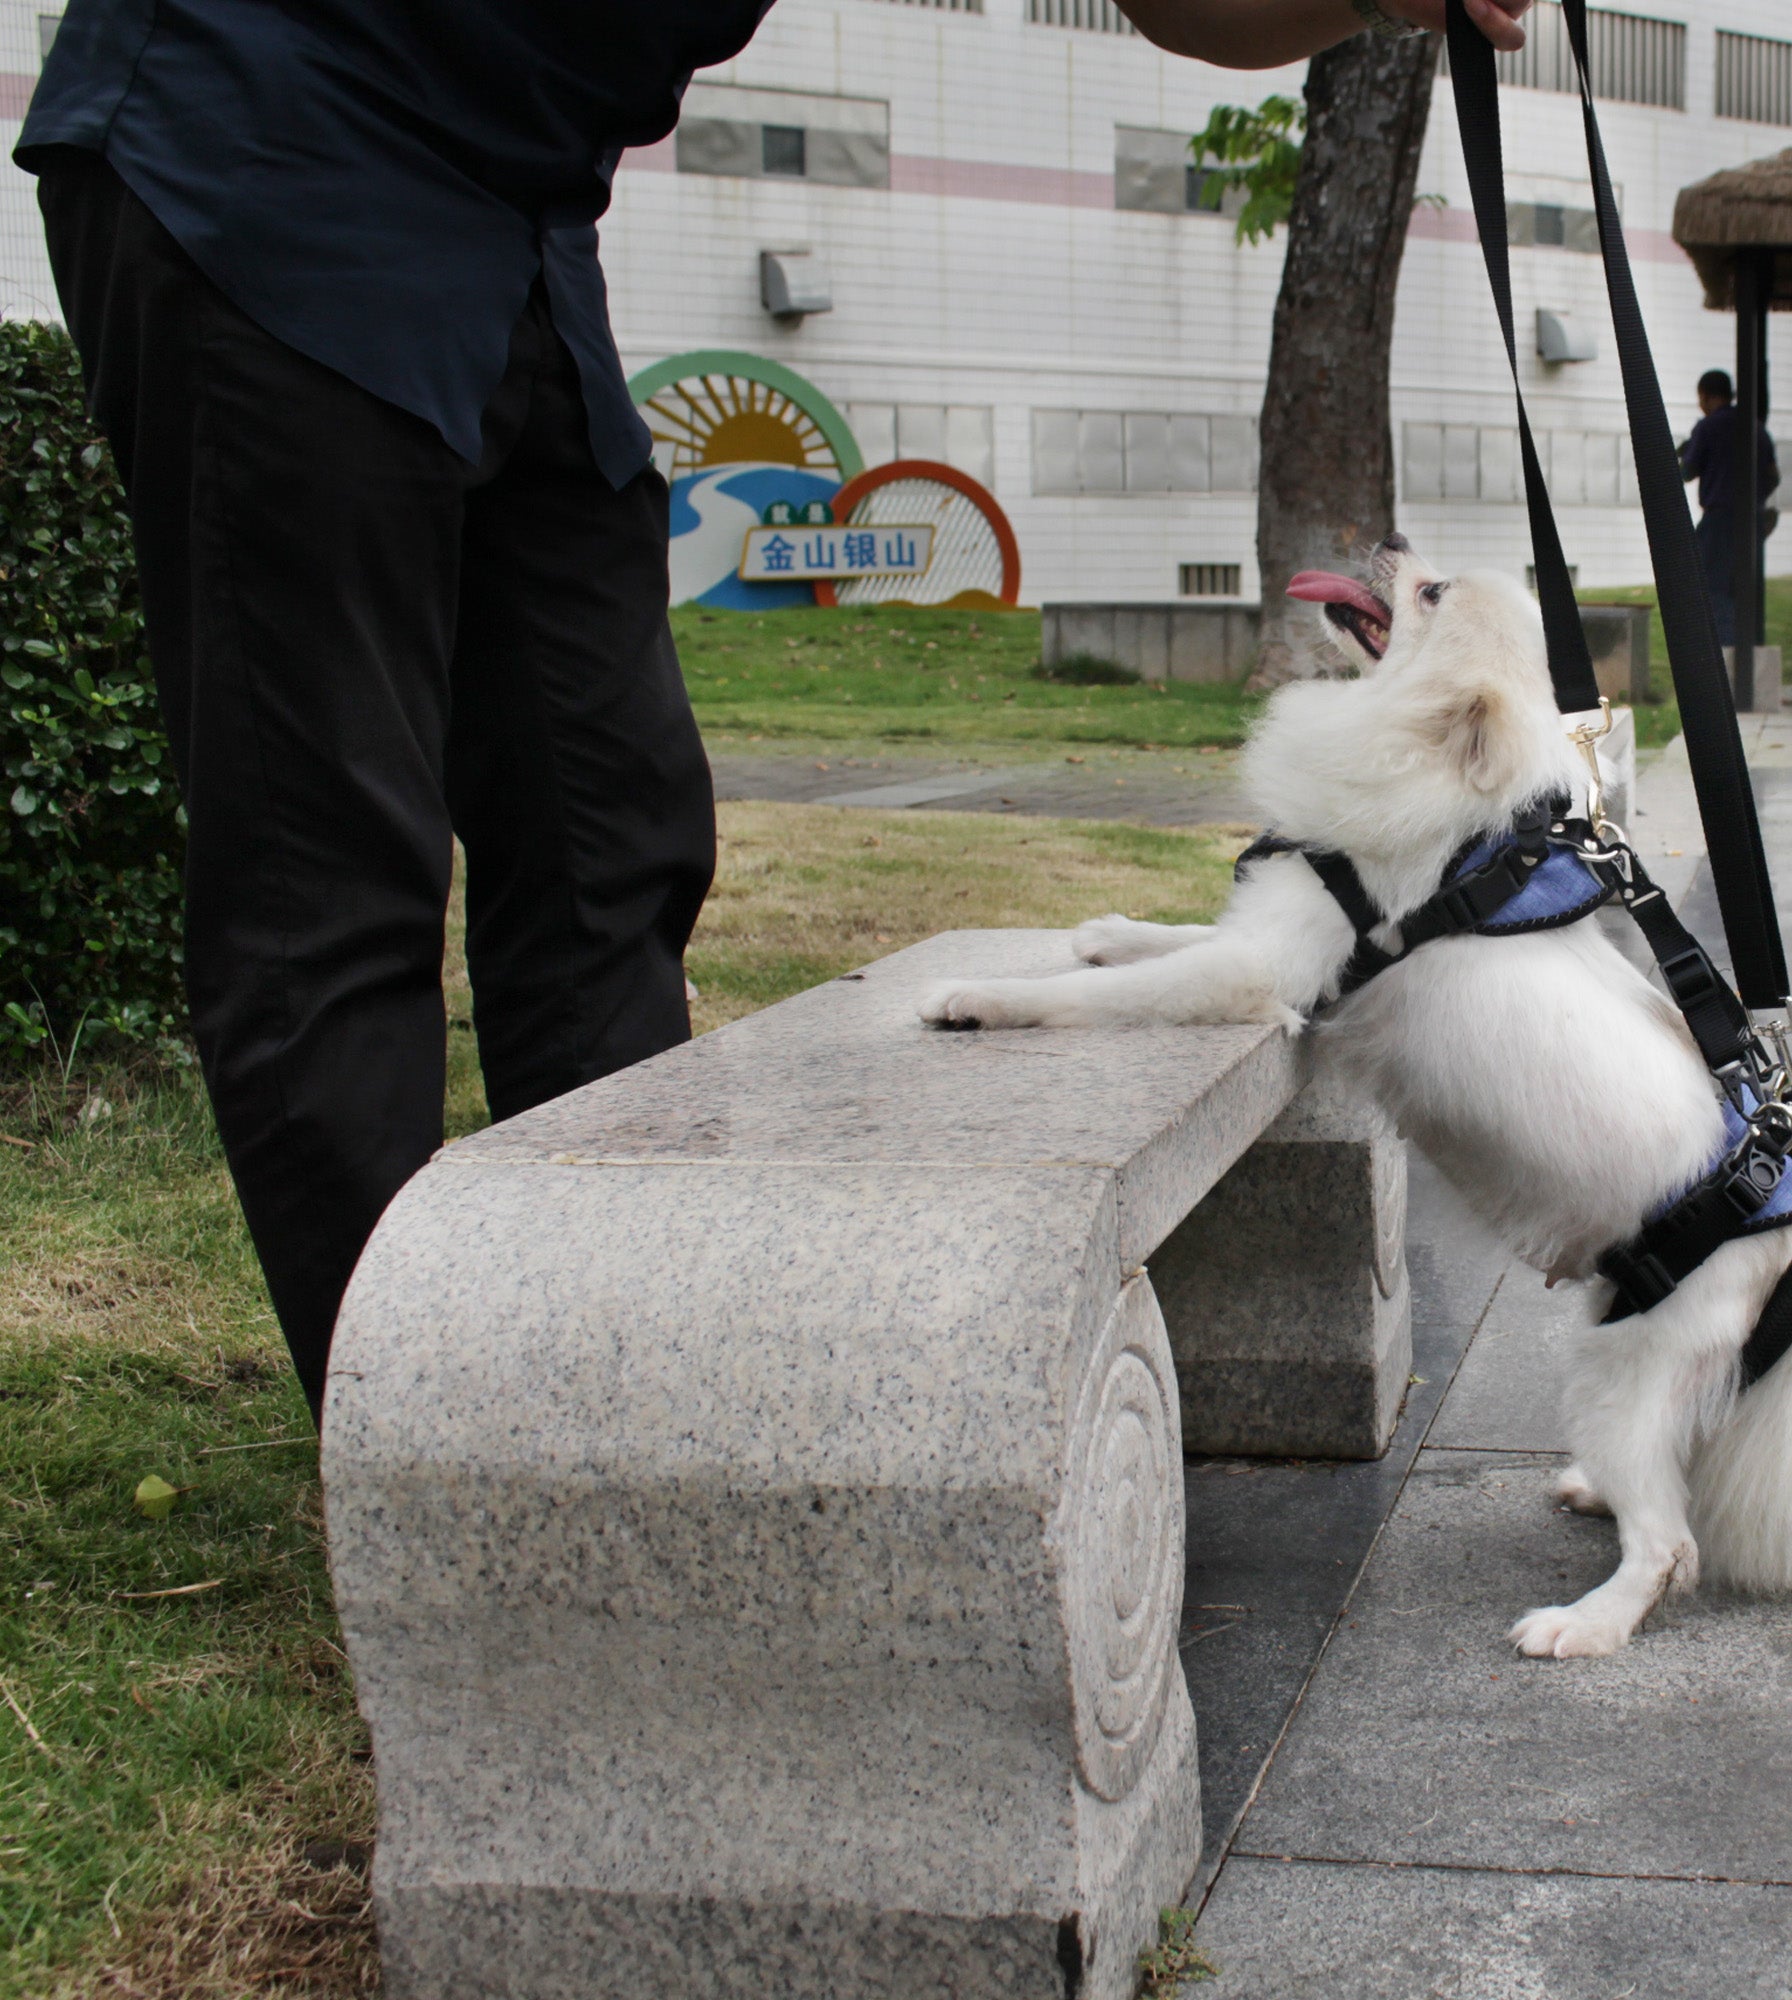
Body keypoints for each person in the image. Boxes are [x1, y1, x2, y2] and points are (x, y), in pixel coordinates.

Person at [13, 0, 1530, 1422]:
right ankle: (429, 1467)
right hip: (273, 124)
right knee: (333, 873)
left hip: (520, 209)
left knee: (610, 833)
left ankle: (611, 1384)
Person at [1680, 367, 1779, 646]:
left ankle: (1722, 654)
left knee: (1712, 588)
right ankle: (1748, 650)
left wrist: (1685, 453)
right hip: (1752, 520)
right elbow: (1773, 476)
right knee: (1746, 589)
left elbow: (1687, 472)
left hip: (1719, 520)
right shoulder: (1756, 427)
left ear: (1708, 397)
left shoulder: (1708, 427)